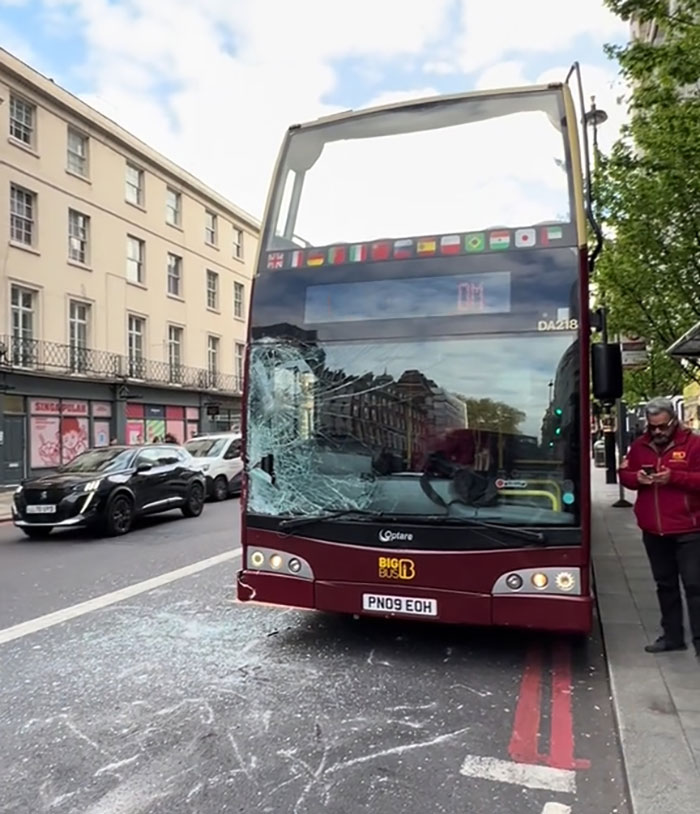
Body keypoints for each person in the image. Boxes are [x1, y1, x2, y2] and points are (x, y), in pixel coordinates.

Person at [618, 397, 700, 659]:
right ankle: (673, 637)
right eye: (653, 427)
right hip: (654, 530)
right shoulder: (640, 446)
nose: (658, 432)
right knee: (665, 585)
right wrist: (636, 478)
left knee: (695, 586)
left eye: (663, 427)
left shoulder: (694, 444)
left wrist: (673, 477)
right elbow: (626, 475)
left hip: (689, 529)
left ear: (673, 421)